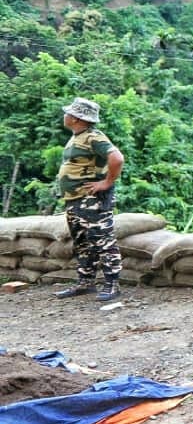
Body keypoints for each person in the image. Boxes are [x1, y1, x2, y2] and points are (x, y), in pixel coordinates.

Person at [52, 97, 126, 302]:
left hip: (91, 200)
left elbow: (117, 158)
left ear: (76, 118)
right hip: (75, 200)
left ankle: (112, 285)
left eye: (68, 113)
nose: (65, 115)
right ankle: (85, 283)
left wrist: (107, 182)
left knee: (103, 241)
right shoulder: (78, 137)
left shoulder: (94, 137)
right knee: (83, 243)